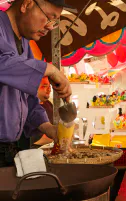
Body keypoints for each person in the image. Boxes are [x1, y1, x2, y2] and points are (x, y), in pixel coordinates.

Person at [0, 0, 72, 167]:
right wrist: (50, 69)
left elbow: (26, 98)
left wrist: (49, 128)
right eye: (49, 17)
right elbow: (3, 64)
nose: (49, 26)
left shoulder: (24, 43)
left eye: (54, 22)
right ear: (26, 4)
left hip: (7, 150)